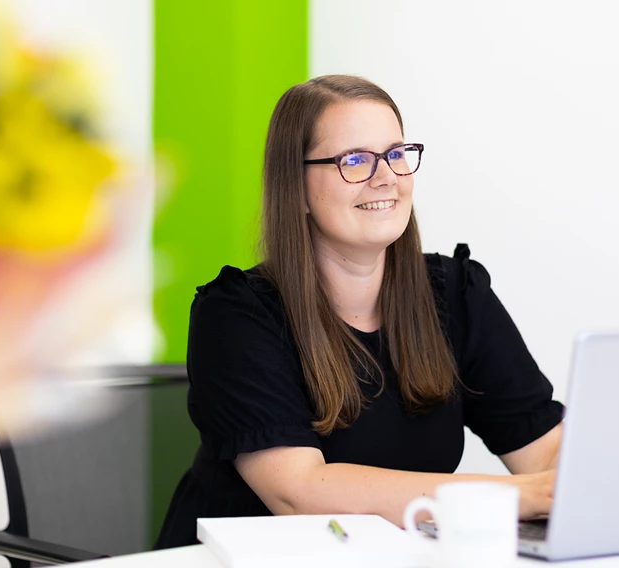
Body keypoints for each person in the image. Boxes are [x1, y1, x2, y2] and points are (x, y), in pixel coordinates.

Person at [155, 75, 564, 548]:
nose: (386, 176)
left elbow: (546, 450)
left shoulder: (455, 294)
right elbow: (301, 491)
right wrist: (513, 496)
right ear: (296, 185)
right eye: (354, 160)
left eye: (395, 154)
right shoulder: (237, 315)